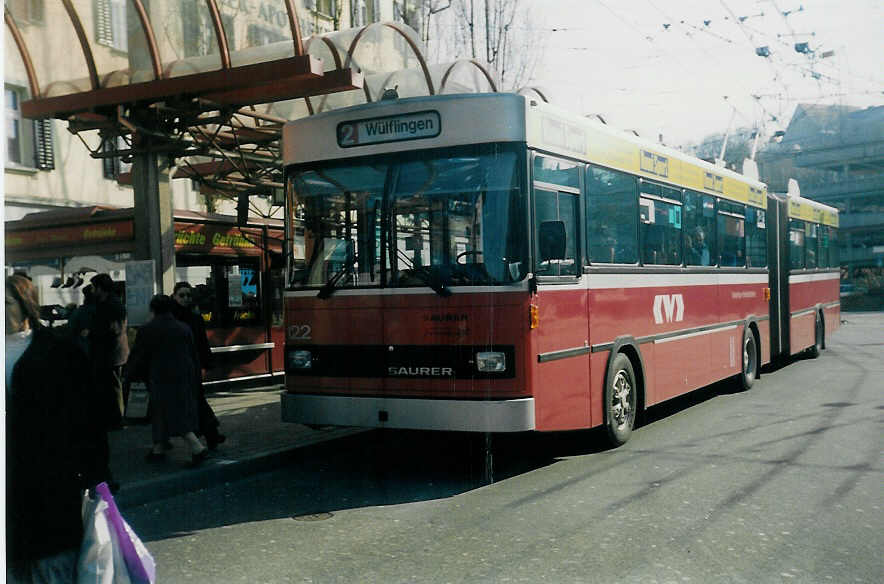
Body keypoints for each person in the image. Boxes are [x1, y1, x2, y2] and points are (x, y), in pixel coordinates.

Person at [5, 274, 108, 582]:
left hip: (49, 492)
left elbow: (87, 417)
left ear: (26, 306)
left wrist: (96, 474)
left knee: (52, 571)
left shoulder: (58, 352)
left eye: (6, 304)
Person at [128, 294, 209, 466]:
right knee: (172, 409)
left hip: (160, 375)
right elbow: (193, 354)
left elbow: (139, 356)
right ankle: (159, 447)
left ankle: (197, 447)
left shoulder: (147, 329)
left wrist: (130, 374)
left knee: (166, 411)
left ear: (153, 309)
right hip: (184, 374)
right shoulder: (183, 327)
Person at [172, 281, 225, 449]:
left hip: (191, 365)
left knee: (196, 400)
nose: (185, 298)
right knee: (195, 401)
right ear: (174, 296)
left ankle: (209, 435)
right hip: (179, 366)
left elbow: (202, 342)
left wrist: (207, 362)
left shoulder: (194, 318)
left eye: (188, 295)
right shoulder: (173, 317)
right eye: (182, 295)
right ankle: (210, 435)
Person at [90, 273, 129, 426]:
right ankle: (113, 417)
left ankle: (117, 419)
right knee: (112, 386)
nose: (92, 291)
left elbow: (113, 329)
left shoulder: (111, 304)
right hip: (113, 352)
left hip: (111, 353)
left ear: (100, 288)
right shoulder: (111, 302)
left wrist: (91, 333)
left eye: (94, 287)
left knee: (114, 387)